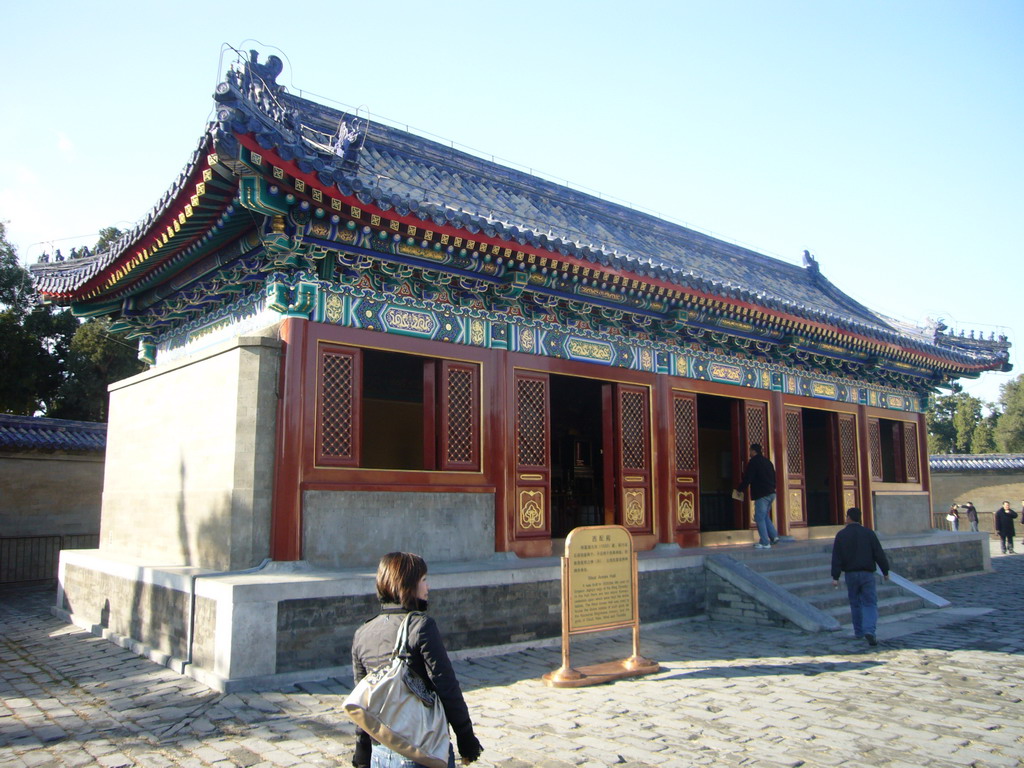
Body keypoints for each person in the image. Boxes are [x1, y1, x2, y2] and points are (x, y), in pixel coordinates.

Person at [351, 552, 483, 768]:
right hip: (420, 750)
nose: (427, 587)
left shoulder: (362, 633)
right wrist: (466, 739)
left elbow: (365, 700)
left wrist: (362, 754)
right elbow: (447, 687)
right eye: (423, 580)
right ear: (408, 584)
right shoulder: (421, 627)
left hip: (380, 752)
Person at [831, 507, 890, 647]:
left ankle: (859, 631)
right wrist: (885, 571)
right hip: (867, 573)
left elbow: (837, 557)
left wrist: (835, 576)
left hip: (850, 574)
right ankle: (869, 629)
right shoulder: (869, 533)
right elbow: (878, 553)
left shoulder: (841, 535)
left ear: (848, 518)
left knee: (855, 603)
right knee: (869, 603)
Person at [736, 443, 779, 549]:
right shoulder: (768, 462)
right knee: (765, 516)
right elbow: (774, 477)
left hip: (762, 493)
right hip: (771, 492)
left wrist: (739, 489)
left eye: (750, 451)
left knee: (759, 518)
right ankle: (774, 536)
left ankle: (765, 542)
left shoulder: (753, 462)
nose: (749, 453)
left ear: (754, 451)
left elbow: (748, 478)